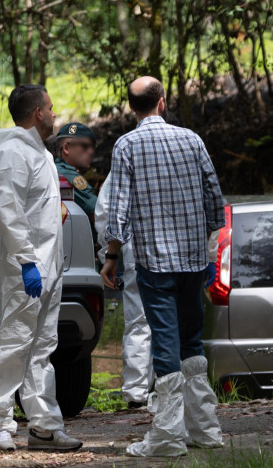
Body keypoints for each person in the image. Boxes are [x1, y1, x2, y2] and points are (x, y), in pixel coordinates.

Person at [100, 77, 225, 457]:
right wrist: (208, 252)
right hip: (191, 260)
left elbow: (118, 208)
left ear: (132, 108)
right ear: (163, 101)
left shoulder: (127, 145)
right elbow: (214, 200)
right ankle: (204, 429)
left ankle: (169, 437)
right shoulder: (192, 139)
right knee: (191, 338)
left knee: (166, 344)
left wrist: (111, 256)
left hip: (154, 261)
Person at [0, 84, 83, 453]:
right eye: (52, 109)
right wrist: (26, 261)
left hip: (46, 265)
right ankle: (0, 424)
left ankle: (43, 426)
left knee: (42, 347)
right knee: (12, 343)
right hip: (19, 265)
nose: (56, 115)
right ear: (38, 112)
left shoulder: (39, 153)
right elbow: (9, 212)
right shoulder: (10, 153)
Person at [93, 167, 153, 410]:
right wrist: (208, 255)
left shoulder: (128, 155)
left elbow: (107, 212)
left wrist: (109, 256)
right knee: (174, 321)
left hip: (136, 252)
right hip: (181, 254)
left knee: (139, 322)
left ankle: (137, 393)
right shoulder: (188, 147)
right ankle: (172, 389)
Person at [53, 122, 98, 220]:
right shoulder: (68, 175)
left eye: (92, 147)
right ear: (66, 148)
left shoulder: (55, 169)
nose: (91, 152)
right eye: (85, 146)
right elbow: (99, 214)